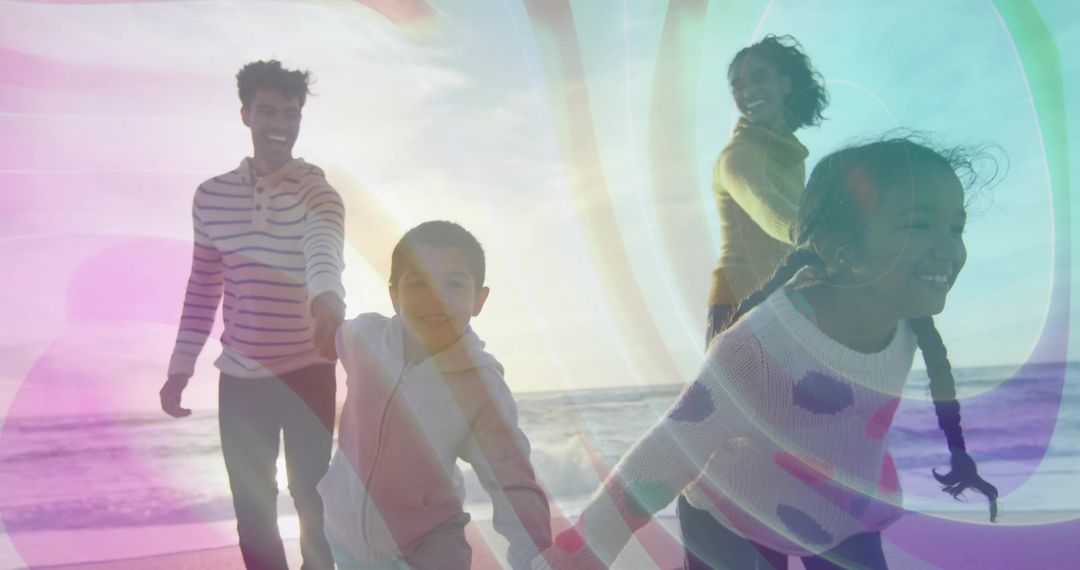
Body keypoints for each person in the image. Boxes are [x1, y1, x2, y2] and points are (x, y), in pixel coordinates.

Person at [535, 138, 999, 570]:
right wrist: (581, 553)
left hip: (840, 516)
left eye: (955, 226)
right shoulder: (762, 345)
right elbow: (669, 449)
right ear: (840, 247)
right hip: (732, 517)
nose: (950, 248)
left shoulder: (907, 323)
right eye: (919, 225)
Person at [159, 60, 345, 570]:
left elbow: (323, 249)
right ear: (246, 114)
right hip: (241, 379)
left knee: (314, 501)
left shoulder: (318, 192)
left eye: (291, 112)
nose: (279, 123)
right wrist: (181, 364)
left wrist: (328, 297)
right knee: (253, 512)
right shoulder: (211, 197)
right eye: (267, 111)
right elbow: (203, 284)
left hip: (309, 370)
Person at [317, 221, 553, 570]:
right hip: (343, 536)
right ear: (394, 294)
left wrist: (535, 558)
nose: (435, 297)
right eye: (419, 283)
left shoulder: (480, 386)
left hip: (426, 549)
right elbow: (330, 335)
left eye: (454, 284)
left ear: (479, 299)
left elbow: (512, 481)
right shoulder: (365, 338)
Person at [706, 34, 828, 342]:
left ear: (785, 85)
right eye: (738, 85)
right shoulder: (737, 155)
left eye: (759, 79)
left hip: (787, 297)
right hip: (738, 302)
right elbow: (768, 208)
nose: (747, 92)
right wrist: (822, 239)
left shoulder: (790, 155)